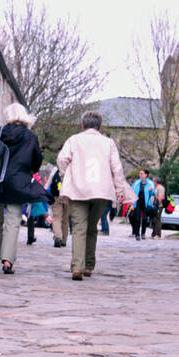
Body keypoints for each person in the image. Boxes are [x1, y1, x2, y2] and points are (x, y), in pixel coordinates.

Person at [56, 110, 130, 281]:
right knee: (92, 227)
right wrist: (119, 191)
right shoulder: (108, 143)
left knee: (79, 228)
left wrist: (65, 175)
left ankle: (77, 266)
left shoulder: (74, 140)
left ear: (82, 125)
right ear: (100, 126)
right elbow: (117, 168)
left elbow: (62, 159)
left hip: (78, 189)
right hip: (101, 190)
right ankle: (89, 265)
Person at [0, 103, 44, 274]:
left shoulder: (0, 132)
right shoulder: (31, 137)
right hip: (19, 184)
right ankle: (7, 261)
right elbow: (37, 161)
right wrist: (29, 171)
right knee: (13, 222)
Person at [130, 169, 158, 240]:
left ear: (146, 175)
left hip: (146, 204)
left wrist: (152, 191)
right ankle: (137, 234)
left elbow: (153, 193)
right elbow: (131, 191)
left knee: (145, 219)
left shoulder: (150, 183)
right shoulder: (136, 183)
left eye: (142, 173)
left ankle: (143, 233)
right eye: (140, 174)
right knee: (137, 219)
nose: (140, 175)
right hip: (137, 203)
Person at [47, 167, 69, 247]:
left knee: (56, 217)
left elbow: (49, 182)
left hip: (56, 196)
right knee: (65, 219)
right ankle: (64, 240)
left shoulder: (55, 169)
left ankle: (57, 237)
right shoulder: (71, 168)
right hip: (68, 196)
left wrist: (44, 190)